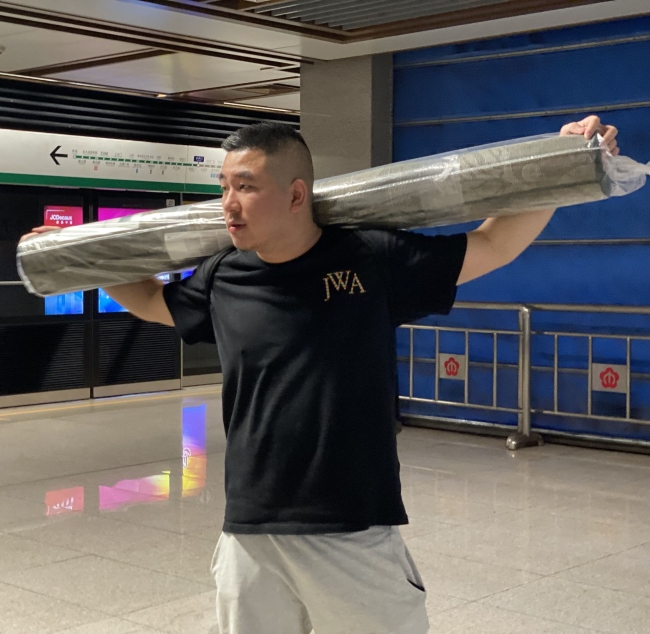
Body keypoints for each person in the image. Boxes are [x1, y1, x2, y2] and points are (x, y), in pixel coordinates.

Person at [22, 116, 619, 634]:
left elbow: (494, 243)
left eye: (245, 186)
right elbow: (156, 301)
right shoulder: (224, 274)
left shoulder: (371, 257)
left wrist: (563, 163)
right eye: (223, 186)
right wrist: (77, 254)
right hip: (250, 531)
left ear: (295, 194)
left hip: (352, 526)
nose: (228, 203)